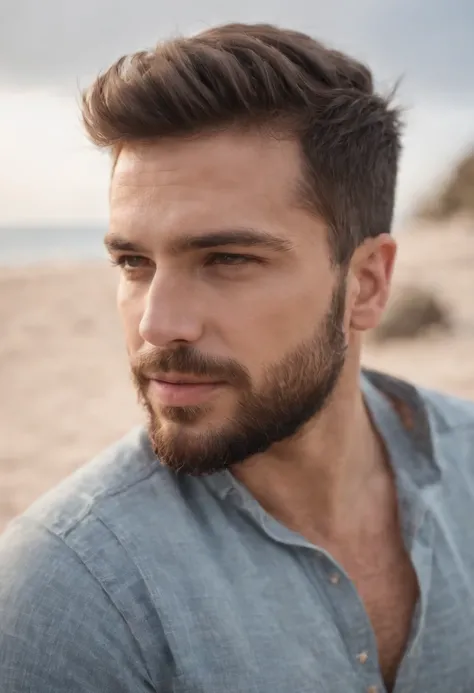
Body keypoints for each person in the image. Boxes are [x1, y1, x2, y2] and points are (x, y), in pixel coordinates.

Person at [1, 21, 474, 693]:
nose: (158, 325)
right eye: (133, 262)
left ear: (365, 283)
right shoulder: (71, 595)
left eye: (226, 259)